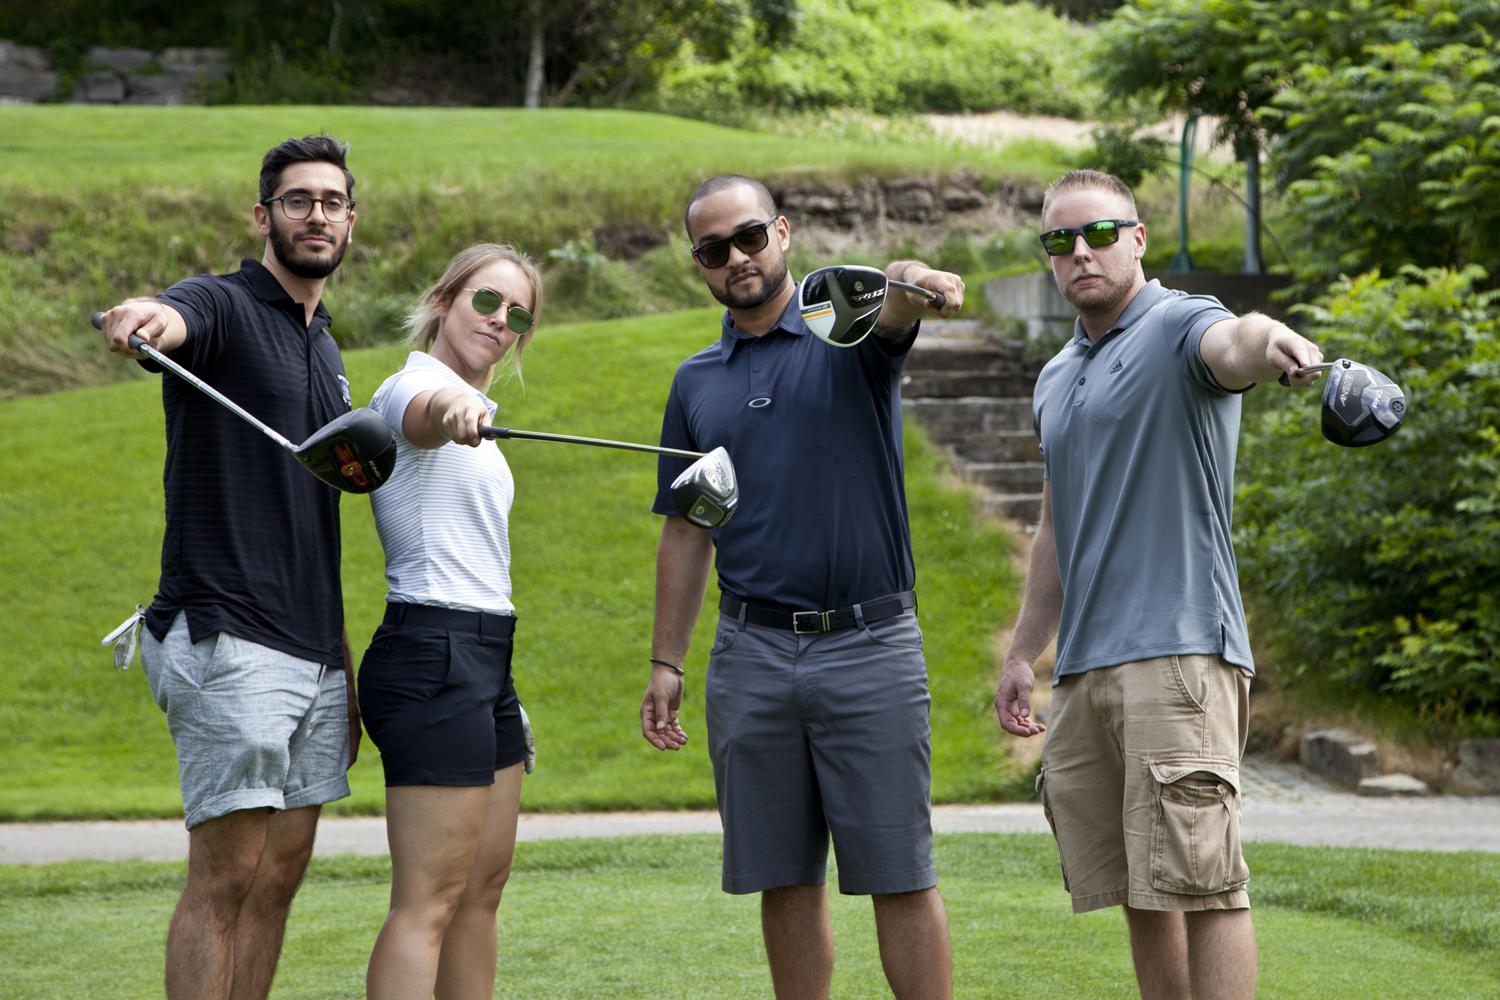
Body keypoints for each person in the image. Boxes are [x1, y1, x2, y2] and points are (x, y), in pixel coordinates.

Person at [993, 169, 1324, 1000]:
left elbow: (1237, 341)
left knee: (1207, 886)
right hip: (1085, 667)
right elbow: (1055, 526)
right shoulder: (1055, 374)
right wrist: (1024, 651)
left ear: (1137, 239)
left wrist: (1273, 339)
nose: (1081, 253)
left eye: (1101, 233)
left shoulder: (1179, 324)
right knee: (1142, 889)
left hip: (1180, 654)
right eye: (1061, 240)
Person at [639, 174, 965, 1000]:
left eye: (750, 237)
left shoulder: (844, 331)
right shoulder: (695, 381)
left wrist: (913, 278)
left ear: (782, 232)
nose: (736, 259)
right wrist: (667, 661)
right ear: (699, 263)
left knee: (899, 872)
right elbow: (687, 529)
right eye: (714, 250)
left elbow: (895, 306)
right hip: (749, 653)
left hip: (870, 645)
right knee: (783, 877)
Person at [96, 134, 363, 1000]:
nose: (316, 215)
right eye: (298, 200)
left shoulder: (327, 350)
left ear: (351, 221)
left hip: (314, 651)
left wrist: (342, 663)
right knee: (226, 876)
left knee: (278, 878)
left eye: (332, 202)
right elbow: (171, 317)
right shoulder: (222, 304)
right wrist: (141, 318)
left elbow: (315, 520)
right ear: (263, 216)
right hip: (229, 638)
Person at [357, 243, 542, 1000]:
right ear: (444, 301)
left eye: (518, 315)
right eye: (486, 301)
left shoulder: (483, 424)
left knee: (480, 893)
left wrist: (499, 682)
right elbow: (422, 416)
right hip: (431, 649)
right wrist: (453, 409)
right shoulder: (408, 388)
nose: (500, 321)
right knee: (427, 902)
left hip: (484, 655)